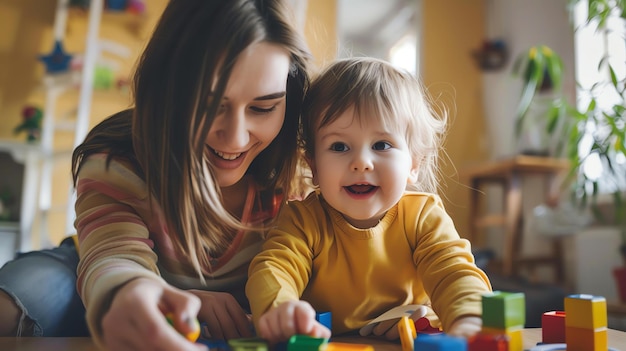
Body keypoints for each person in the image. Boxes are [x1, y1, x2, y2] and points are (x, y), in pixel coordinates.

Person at [0, 0, 311, 349]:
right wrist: (137, 291)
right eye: (208, 105)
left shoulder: (304, 182)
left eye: (263, 107)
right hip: (86, 262)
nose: (236, 138)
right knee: (8, 310)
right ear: (166, 91)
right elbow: (114, 256)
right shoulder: (119, 162)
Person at [246, 57, 492, 344]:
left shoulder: (423, 217)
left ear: (414, 163)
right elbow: (273, 268)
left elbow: (455, 273)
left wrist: (469, 320)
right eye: (339, 146)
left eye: (381, 145)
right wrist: (281, 309)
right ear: (313, 166)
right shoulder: (303, 220)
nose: (361, 162)